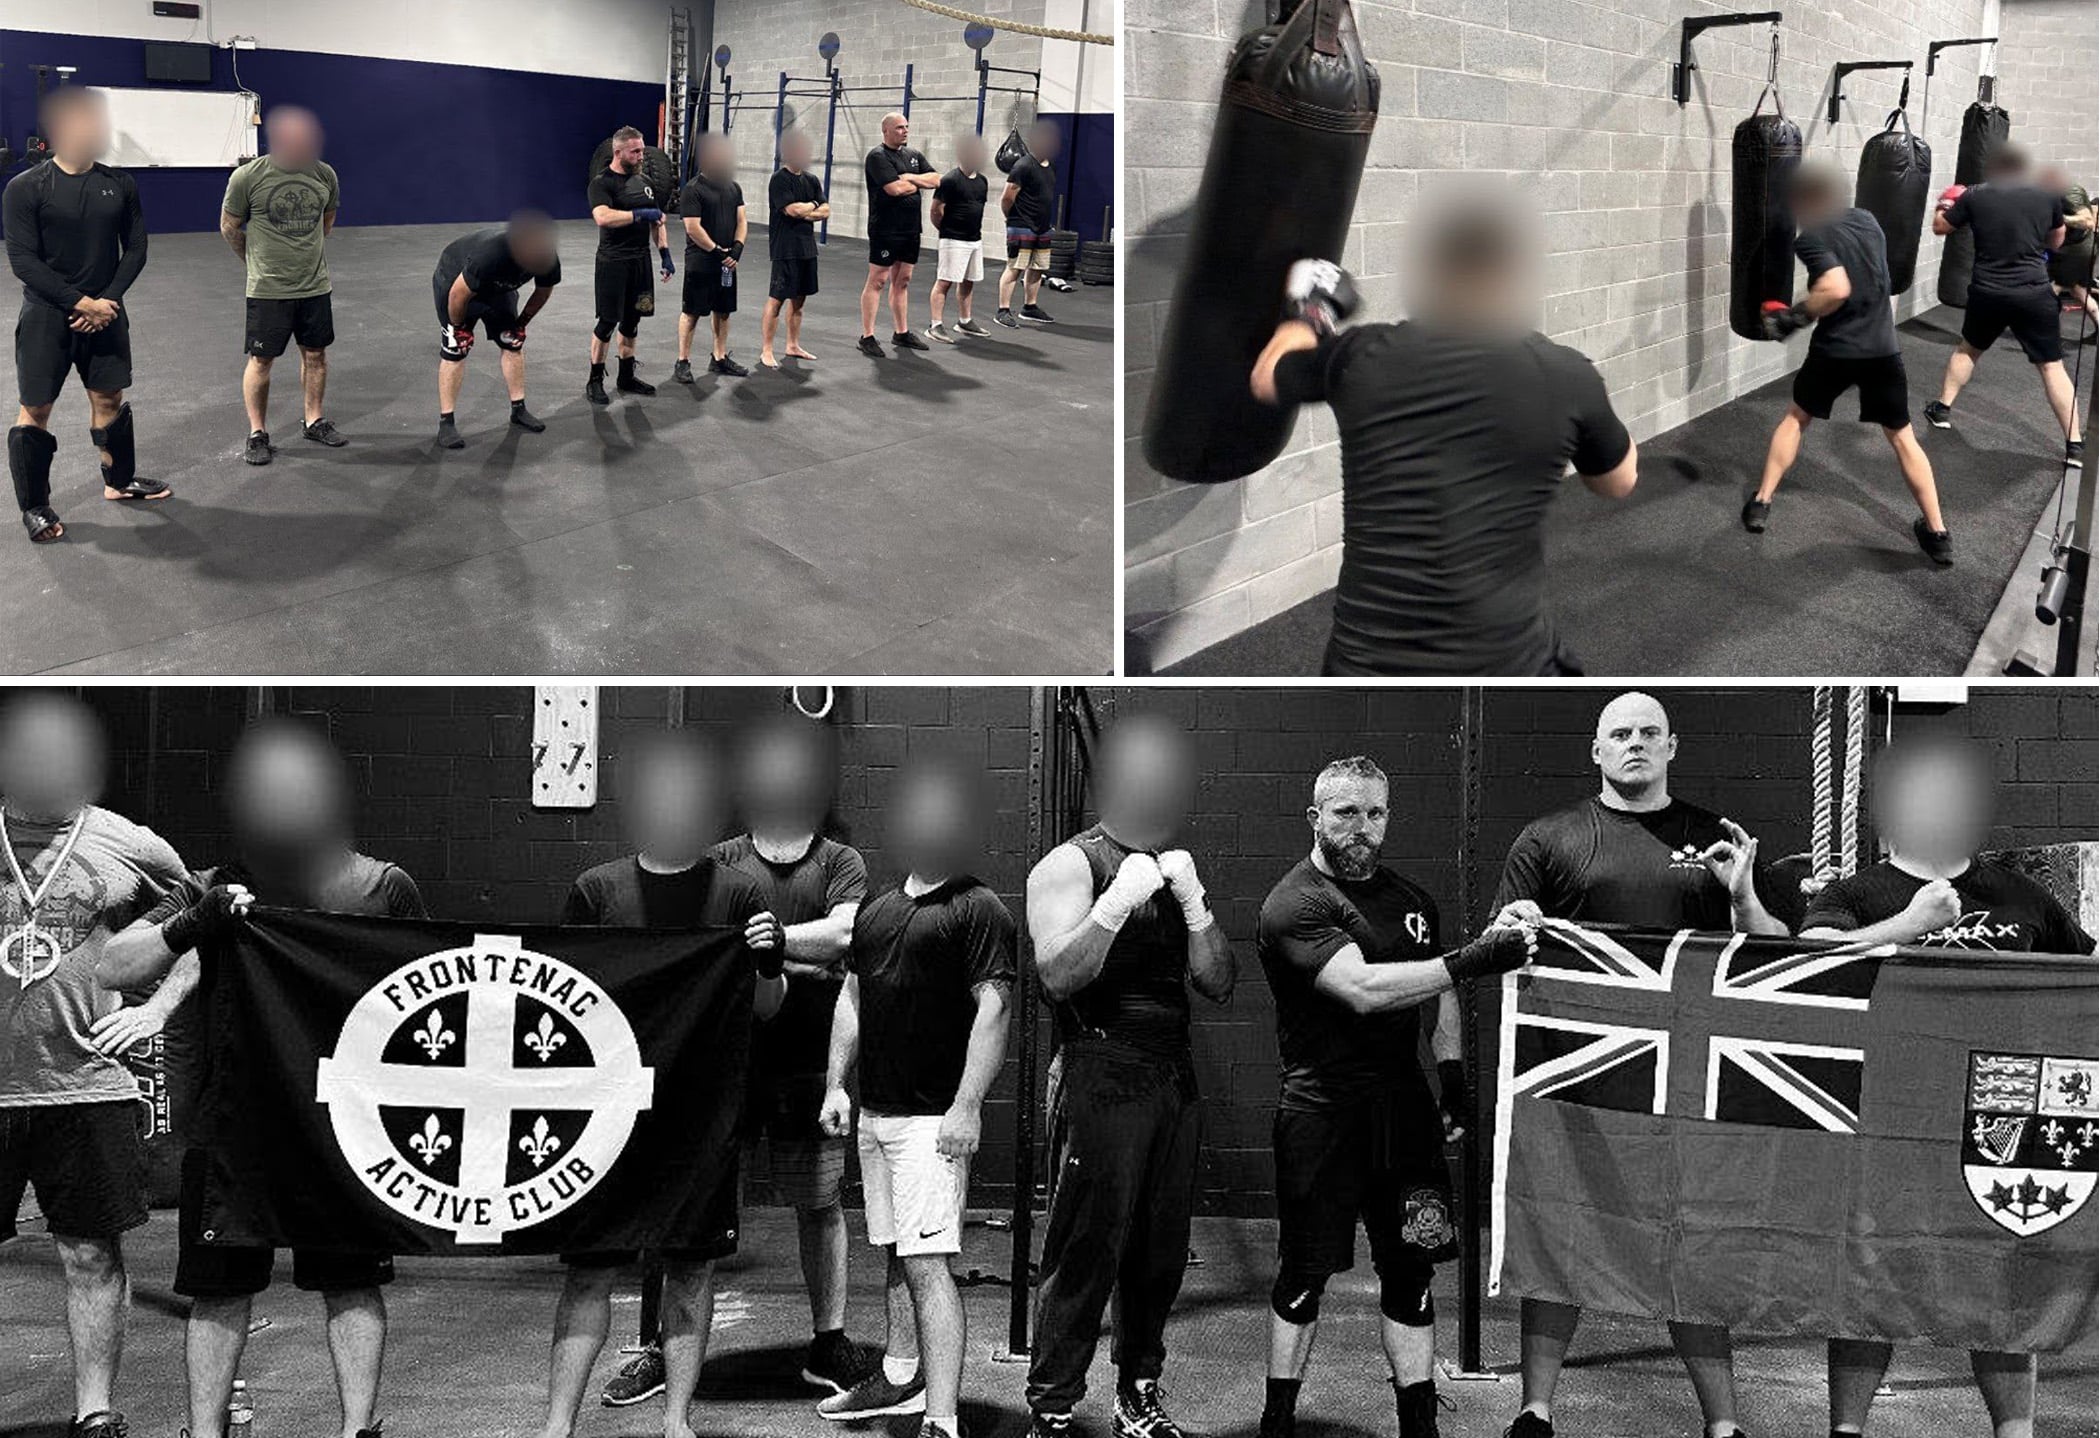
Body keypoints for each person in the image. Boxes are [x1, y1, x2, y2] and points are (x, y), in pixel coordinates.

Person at [96, 718, 425, 1438]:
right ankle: (204, 1432)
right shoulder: (211, 887)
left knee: (350, 1281)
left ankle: (358, 1429)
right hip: (234, 1123)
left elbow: (429, 989)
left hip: (342, 1125)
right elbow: (113, 966)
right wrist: (193, 926)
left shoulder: (381, 886)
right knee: (219, 1290)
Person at [1491, 690, 1784, 1438]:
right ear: (1596, 750)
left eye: (1650, 733)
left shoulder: (1714, 839)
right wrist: (1515, 924)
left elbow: (1775, 950)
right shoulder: (1550, 838)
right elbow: (1500, 939)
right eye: (1619, 733)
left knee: (1689, 1247)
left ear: (1672, 746)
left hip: (1681, 1078)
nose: (1635, 744)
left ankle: (1724, 1424)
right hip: (1579, 1074)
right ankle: (1536, 1411)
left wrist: (1743, 894)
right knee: (1560, 1235)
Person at [1800, 735, 2093, 1438]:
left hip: (1999, 1112)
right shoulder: (1856, 892)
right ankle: (1847, 1432)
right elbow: (1803, 964)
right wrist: (1908, 926)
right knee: (1872, 1275)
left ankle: (2013, 1433)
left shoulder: (2022, 896)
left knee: (2001, 1273)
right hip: (1890, 1109)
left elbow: (2087, 978)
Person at [1256, 757, 1536, 1438]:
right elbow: (1363, 989)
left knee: (1411, 1271)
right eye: (1347, 812)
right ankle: (1278, 1421)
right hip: (1322, 1117)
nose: (1362, 828)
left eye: (1375, 813)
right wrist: (1478, 957)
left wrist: (1452, 1079)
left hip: (1403, 1119)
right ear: (1314, 817)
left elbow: (1433, 986)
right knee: (1303, 1277)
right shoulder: (1294, 904)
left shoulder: (1411, 900)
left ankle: (1418, 1425)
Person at [603, 715, 879, 1402]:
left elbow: (847, 936)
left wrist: (767, 942)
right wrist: (788, 956)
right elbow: (704, 946)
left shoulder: (840, 863)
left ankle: (828, 1341)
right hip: (722, 1066)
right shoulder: (722, 859)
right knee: (686, 1211)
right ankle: (661, 1349)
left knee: (819, 1207)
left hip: (808, 1065)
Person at [1249, 192, 1638, 675]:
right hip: (1510, 663)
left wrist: (1312, 313)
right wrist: (1588, 413)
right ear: (1510, 279)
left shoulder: (1363, 355)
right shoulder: (1566, 374)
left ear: (1434, 276)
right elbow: (1618, 483)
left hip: (1365, 665)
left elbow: (1268, 376)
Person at [538, 729, 784, 1438]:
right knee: (588, 1272)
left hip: (698, 1116)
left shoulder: (739, 894)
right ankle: (557, 1424)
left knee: (691, 1271)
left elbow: (767, 1009)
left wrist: (768, 962)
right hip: (606, 1116)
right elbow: (559, 1004)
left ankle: (677, 1420)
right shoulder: (598, 891)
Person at [1023, 714, 1236, 1438]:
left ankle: (1137, 1393)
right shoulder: (1071, 865)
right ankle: (1052, 1406)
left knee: (1159, 1253)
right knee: (1087, 1246)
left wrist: (1195, 902)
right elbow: (1056, 975)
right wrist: (1115, 905)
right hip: (1098, 1069)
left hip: (1170, 1076)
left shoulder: (1176, 864)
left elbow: (1217, 981)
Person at [0, 692, 186, 1438]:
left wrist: (157, 1008)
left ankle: (95, 1414)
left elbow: (199, 921)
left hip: (83, 1085)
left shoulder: (127, 843)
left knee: (89, 1254)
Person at [816, 760, 1016, 1437]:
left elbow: (994, 1009)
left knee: (930, 1266)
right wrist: (835, 1084)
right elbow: (851, 997)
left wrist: (967, 1106)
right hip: (877, 1116)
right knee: (899, 1253)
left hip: (933, 1122)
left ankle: (942, 1418)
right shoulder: (877, 907)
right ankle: (900, 1378)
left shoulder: (977, 907)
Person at [1744, 163, 1952, 563]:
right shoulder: (1868, 220)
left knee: (1795, 418)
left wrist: (1795, 316)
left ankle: (1761, 501)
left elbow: (1837, 287)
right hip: (1883, 350)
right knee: (1903, 437)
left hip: (1836, 351)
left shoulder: (1811, 238)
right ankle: (1938, 533)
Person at [4, 85, 166, 544]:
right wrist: (80, 303)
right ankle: (34, 507)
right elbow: (24, 261)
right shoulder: (26, 188)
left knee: (109, 401)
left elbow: (135, 248)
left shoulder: (120, 183)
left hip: (106, 313)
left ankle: (118, 482)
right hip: (46, 317)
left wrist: (107, 302)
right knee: (35, 409)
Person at [1926, 144, 2082, 470]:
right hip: (2034, 292)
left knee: (1968, 350)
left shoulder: (1975, 194)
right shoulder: (2046, 195)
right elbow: (2057, 239)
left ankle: (1942, 409)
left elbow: (1941, 227)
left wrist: (1944, 203)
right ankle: (2074, 444)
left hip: (1989, 291)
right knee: (2052, 366)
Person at [223, 105, 345, 465]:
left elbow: (326, 221)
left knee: (316, 355)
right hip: (268, 289)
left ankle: (314, 420)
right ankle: (257, 433)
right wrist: (255, 263)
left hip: (314, 286)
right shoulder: (248, 177)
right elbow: (230, 226)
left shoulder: (325, 175)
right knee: (261, 360)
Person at [431, 209, 560, 449]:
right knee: (454, 350)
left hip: (498, 289)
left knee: (513, 343)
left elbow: (543, 292)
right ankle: (446, 422)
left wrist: (522, 323)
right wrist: (459, 329)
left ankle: (518, 409)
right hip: (455, 284)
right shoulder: (490, 255)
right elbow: (459, 295)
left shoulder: (546, 257)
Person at [585, 126, 672, 405]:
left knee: (633, 320)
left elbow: (657, 219)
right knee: (608, 322)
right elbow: (602, 217)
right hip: (613, 262)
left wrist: (665, 254)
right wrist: (638, 214)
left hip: (640, 262)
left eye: (642, 151)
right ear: (618, 152)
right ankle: (595, 380)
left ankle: (626, 376)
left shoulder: (644, 181)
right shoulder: (602, 183)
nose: (641, 157)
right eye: (635, 152)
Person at [860, 112, 938, 357]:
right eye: (899, 128)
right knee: (878, 280)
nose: (905, 131)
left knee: (902, 281)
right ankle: (867, 336)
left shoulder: (913, 156)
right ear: (886, 131)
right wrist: (915, 183)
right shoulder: (877, 157)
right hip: (885, 229)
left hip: (910, 229)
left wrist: (910, 178)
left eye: (906, 127)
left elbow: (936, 179)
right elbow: (894, 189)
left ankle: (901, 332)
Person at [674, 136, 750, 383]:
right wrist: (718, 251)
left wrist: (737, 248)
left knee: (724, 310)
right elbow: (693, 228)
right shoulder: (693, 189)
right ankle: (683, 361)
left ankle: (719, 358)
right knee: (692, 311)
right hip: (701, 261)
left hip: (727, 262)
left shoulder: (733, 187)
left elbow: (742, 220)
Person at [762, 130, 830, 370]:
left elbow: (827, 210)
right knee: (777, 299)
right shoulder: (779, 180)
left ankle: (792, 345)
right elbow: (791, 211)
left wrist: (808, 209)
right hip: (785, 248)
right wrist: (813, 205)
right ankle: (767, 350)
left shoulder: (811, 180)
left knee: (799, 300)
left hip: (806, 249)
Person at [927, 134, 992, 344]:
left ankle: (964, 321)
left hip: (975, 239)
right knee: (944, 281)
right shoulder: (949, 180)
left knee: (968, 280)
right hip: (953, 239)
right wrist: (947, 231)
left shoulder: (982, 181)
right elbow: (935, 211)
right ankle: (935, 325)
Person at [995, 121, 1062, 329]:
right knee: (1015, 267)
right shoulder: (1023, 165)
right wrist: (1012, 220)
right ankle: (1003, 310)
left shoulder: (1050, 166)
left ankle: (1029, 307)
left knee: (1037, 268)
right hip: (1021, 225)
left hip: (1042, 226)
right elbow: (1007, 197)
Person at [2037, 163, 2098, 340]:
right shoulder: (2051, 193)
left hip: (2077, 249)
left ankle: (2045, 329)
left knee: (2052, 286)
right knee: (2077, 291)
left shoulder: (2071, 191)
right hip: (2071, 246)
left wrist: (2059, 218)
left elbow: (2087, 221)